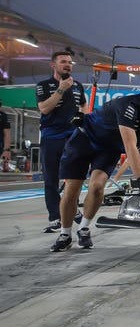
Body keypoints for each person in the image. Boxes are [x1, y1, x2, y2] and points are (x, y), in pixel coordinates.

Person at [51, 76, 140, 252]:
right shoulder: (129, 105)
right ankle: (65, 233)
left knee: (97, 186)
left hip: (108, 149)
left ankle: (84, 228)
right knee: (72, 189)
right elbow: (130, 145)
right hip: (84, 139)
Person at [35, 51, 88, 232]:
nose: (68, 65)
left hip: (72, 137)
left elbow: (83, 105)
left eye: (70, 62)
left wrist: (83, 119)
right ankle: (55, 219)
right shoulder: (43, 86)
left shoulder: (78, 86)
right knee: (51, 179)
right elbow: (44, 109)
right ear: (53, 65)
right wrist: (61, 88)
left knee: (75, 177)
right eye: (63, 62)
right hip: (51, 137)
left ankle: (72, 209)